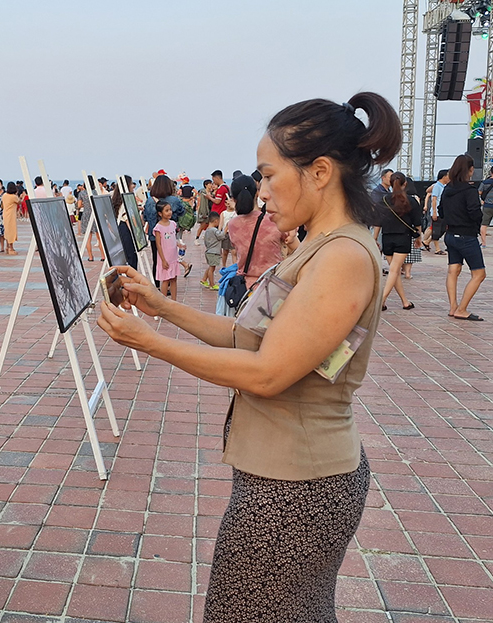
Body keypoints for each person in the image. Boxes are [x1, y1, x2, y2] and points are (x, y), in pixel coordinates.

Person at [97, 92, 400, 621]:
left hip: (297, 490)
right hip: (282, 477)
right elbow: (250, 339)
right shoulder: (318, 247)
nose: (260, 193)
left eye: (268, 175)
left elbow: (267, 372)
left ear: (320, 171)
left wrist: (150, 342)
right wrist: (161, 307)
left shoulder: (343, 259)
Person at [226, 174, 297, 289]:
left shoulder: (232, 225)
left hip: (245, 289)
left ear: (233, 198)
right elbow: (298, 249)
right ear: (257, 193)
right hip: (273, 286)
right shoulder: (273, 221)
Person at [440, 154, 485, 320]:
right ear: (470, 170)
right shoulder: (469, 190)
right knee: (479, 274)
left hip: (450, 235)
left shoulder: (447, 189)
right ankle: (462, 309)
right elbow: (474, 212)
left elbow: (441, 210)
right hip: (466, 236)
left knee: (453, 269)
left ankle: (453, 307)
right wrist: (476, 223)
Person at [377, 171, 422, 311]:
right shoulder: (411, 200)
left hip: (387, 237)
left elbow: (377, 221)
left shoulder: (383, 200)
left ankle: (405, 301)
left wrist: (374, 238)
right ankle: (381, 300)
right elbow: (417, 222)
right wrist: (419, 237)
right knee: (394, 271)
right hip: (403, 237)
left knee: (393, 271)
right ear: (405, 184)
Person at [143, 175, 185, 285]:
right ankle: (170, 283)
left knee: (156, 260)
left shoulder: (149, 201)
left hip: (154, 235)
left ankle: (157, 284)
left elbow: (145, 217)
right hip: (169, 235)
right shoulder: (174, 200)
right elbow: (182, 212)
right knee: (171, 259)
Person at [153, 200, 180, 299]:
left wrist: (179, 245)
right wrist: (163, 260)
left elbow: (173, 239)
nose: (170, 212)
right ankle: (164, 301)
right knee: (166, 279)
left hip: (173, 256)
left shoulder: (173, 224)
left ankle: (174, 300)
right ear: (160, 213)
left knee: (174, 278)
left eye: (170, 210)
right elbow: (158, 245)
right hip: (165, 257)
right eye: (166, 210)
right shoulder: (158, 227)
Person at [111, 179, 139, 271]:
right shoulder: (125, 201)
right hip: (126, 229)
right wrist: (137, 234)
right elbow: (128, 219)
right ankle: (131, 278)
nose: (133, 185)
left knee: (126, 255)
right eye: (131, 183)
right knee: (131, 256)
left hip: (120, 228)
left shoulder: (117, 199)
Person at [423, 169, 448, 254]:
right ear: (444, 177)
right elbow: (434, 199)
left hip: (442, 212)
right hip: (436, 212)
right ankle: (437, 249)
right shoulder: (437, 186)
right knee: (436, 230)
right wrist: (434, 211)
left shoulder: (444, 186)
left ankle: (427, 242)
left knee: (442, 229)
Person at [200, 212, 224, 289]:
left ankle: (204, 279)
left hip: (209, 251)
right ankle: (212, 284)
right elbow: (221, 236)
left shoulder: (208, 230)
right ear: (216, 221)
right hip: (214, 252)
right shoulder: (214, 230)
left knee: (211, 266)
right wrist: (226, 228)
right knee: (212, 269)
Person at [1, 182, 19, 255]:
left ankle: (7, 246)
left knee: (7, 230)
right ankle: (10, 248)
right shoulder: (13, 197)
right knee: (11, 230)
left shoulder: (4, 195)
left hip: (5, 214)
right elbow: (19, 202)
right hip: (11, 215)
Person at [478, 166, 493, 248]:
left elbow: (479, 192)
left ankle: (483, 243)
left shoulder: (485, 182)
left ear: (491, 172)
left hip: (487, 205)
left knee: (484, 225)